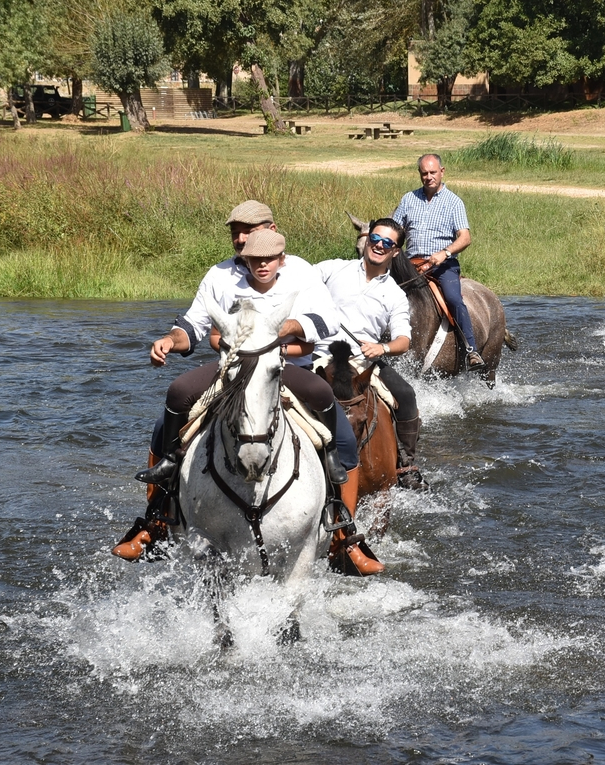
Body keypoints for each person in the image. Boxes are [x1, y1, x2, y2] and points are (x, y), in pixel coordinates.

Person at [115, 204, 381, 575]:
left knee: (327, 405)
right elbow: (193, 325)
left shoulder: (300, 271)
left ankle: (343, 536)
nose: (241, 239)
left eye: (249, 230)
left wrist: (281, 329)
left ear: (272, 232)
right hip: (231, 367)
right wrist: (169, 340)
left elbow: (326, 320)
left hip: (285, 366)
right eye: (235, 232)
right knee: (177, 393)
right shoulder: (220, 275)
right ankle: (156, 521)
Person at [315, 216, 427, 491]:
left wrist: (382, 348)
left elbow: (403, 341)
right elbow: (297, 278)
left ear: (395, 251)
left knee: (405, 394)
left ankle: (405, 464)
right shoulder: (332, 269)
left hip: (363, 361)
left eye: (386, 243)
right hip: (318, 356)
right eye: (374, 239)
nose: (378, 246)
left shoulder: (394, 294)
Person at [393, 154, 483, 371]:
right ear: (420, 174)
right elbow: (395, 229)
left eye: (433, 172)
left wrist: (445, 252)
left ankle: (472, 350)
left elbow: (465, 237)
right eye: (424, 173)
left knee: (453, 299)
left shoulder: (454, 202)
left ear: (442, 171)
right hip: (410, 264)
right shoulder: (408, 199)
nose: (429, 177)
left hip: (442, 265)